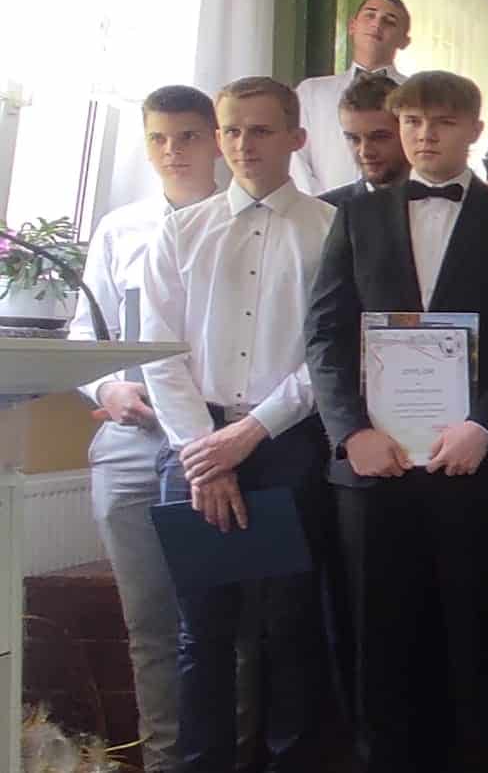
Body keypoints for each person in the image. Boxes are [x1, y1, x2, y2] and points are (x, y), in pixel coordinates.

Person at [304, 70, 488, 772]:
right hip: (374, 465)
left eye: (442, 122)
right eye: (411, 122)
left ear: (475, 129)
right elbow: (325, 335)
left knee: (473, 628)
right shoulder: (355, 215)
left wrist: (485, 425)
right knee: (378, 635)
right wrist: (351, 433)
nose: (424, 135)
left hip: (469, 459)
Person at [139, 76, 338, 773]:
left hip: (287, 445)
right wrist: (207, 452)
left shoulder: (330, 229)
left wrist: (249, 434)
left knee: (289, 630)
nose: (243, 144)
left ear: (296, 138)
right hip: (193, 449)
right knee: (203, 633)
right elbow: (157, 351)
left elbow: (330, 352)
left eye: (260, 130)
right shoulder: (180, 231)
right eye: (231, 130)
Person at [70, 84, 223, 773]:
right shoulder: (118, 227)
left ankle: (227, 757)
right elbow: (86, 332)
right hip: (131, 442)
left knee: (222, 623)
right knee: (149, 625)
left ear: (215, 139)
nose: (173, 151)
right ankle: (165, 762)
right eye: (159, 138)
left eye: (187, 136)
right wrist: (107, 385)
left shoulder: (240, 222)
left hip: (217, 444)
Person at [293, 0, 410, 194]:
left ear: (404, 41)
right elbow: (296, 155)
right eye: (370, 15)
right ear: (352, 26)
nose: (377, 24)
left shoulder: (413, 94)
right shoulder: (311, 92)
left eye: (389, 21)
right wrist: (319, 206)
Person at [316, 74, 407, 206]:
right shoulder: (324, 210)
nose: (365, 152)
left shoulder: (435, 203)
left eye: (379, 137)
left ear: (408, 132)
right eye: (354, 139)